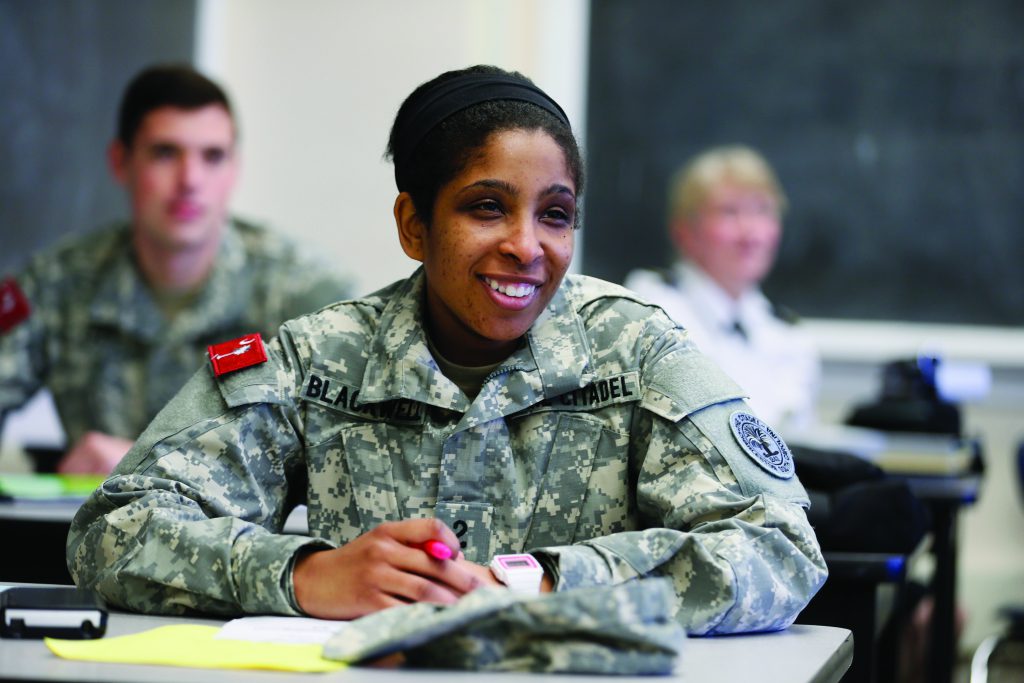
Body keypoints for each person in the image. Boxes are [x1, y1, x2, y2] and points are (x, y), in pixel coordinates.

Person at [68, 66, 825, 635]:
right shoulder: (321, 359)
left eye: (555, 215)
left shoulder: (634, 349)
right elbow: (113, 529)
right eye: (486, 207)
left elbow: (782, 546)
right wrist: (305, 573)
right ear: (414, 225)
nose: (527, 246)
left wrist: (543, 581)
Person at [0, 64, 352, 474]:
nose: (190, 180)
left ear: (234, 168)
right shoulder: (56, 285)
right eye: (165, 153)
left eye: (212, 156)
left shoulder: (305, 294)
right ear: (120, 162)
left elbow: (352, 456)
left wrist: (144, 462)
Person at [623, 146, 819, 433]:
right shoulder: (653, 306)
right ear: (684, 231)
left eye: (762, 210)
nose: (750, 232)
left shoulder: (791, 336)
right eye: (729, 212)